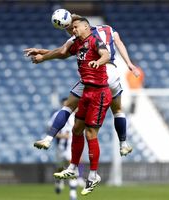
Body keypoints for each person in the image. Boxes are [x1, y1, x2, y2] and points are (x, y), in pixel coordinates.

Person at [25, 14, 140, 156]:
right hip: (113, 73)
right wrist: (129, 64)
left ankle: (48, 138)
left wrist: (43, 57)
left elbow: (61, 52)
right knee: (117, 110)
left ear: (83, 25)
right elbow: (119, 42)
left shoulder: (80, 38)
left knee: (68, 106)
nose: (71, 31)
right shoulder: (107, 29)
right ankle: (124, 144)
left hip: (97, 73)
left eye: (72, 27)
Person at [51, 17, 112, 196]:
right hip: (86, 91)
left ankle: (93, 175)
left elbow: (106, 55)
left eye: (76, 27)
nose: (73, 30)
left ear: (86, 26)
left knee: (90, 133)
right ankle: (72, 167)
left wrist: (98, 62)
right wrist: (42, 56)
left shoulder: (95, 40)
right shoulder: (78, 44)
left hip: (99, 93)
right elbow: (61, 53)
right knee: (77, 129)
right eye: (71, 28)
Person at [49, 98, 79, 200]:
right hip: (60, 147)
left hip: (71, 147)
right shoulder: (57, 115)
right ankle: (58, 181)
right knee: (60, 167)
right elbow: (50, 130)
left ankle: (73, 193)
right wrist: (61, 136)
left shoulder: (74, 116)